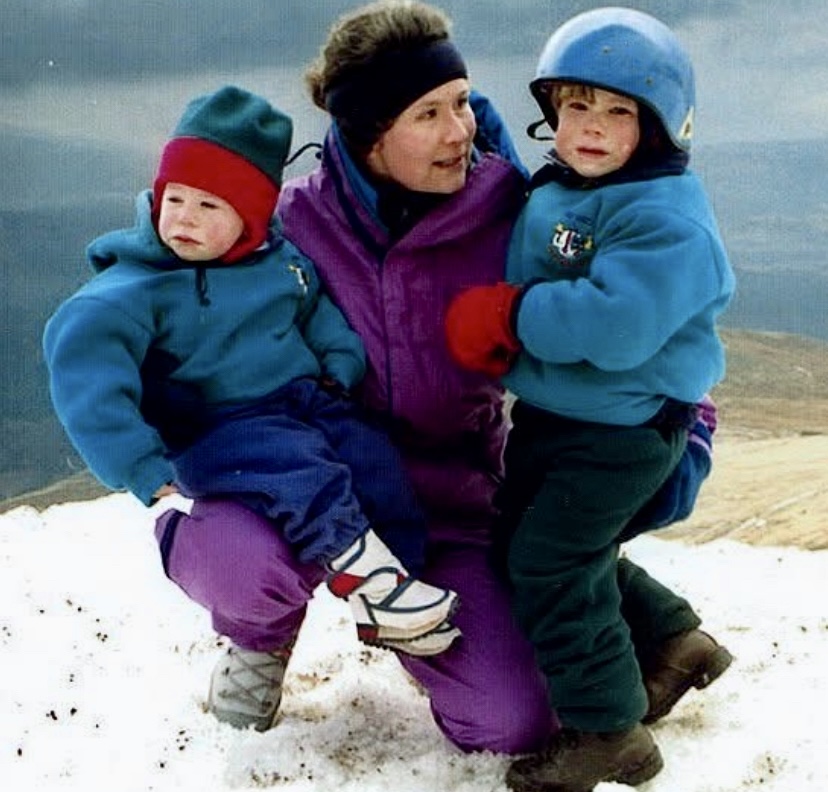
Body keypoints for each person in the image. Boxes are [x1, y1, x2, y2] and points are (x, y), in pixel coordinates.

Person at [148, 0, 728, 751]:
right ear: (368, 133)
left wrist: (687, 429)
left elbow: (642, 308)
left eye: (461, 103)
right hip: (310, 491)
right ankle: (260, 638)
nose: (459, 132)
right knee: (238, 557)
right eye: (428, 114)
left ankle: (623, 638)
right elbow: (179, 288)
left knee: (512, 719)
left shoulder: (507, 207)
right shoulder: (289, 227)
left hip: (451, 508)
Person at [43, 85, 464, 683]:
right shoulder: (132, 290)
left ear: (250, 218)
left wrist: (340, 366)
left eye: (210, 207)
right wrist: (136, 464)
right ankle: (363, 577)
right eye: (175, 198)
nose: (184, 218)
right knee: (301, 471)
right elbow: (84, 374)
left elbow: (313, 309)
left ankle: (402, 586)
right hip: (222, 425)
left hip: (303, 401)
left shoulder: (278, 260)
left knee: (373, 461)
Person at [445, 7, 736, 791]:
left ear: (661, 126)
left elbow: (618, 324)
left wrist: (511, 316)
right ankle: (676, 640)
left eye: (619, 111)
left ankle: (609, 731)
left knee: (552, 562)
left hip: (622, 433)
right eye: (577, 106)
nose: (594, 126)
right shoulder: (574, 187)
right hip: (562, 419)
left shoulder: (663, 215)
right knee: (530, 551)